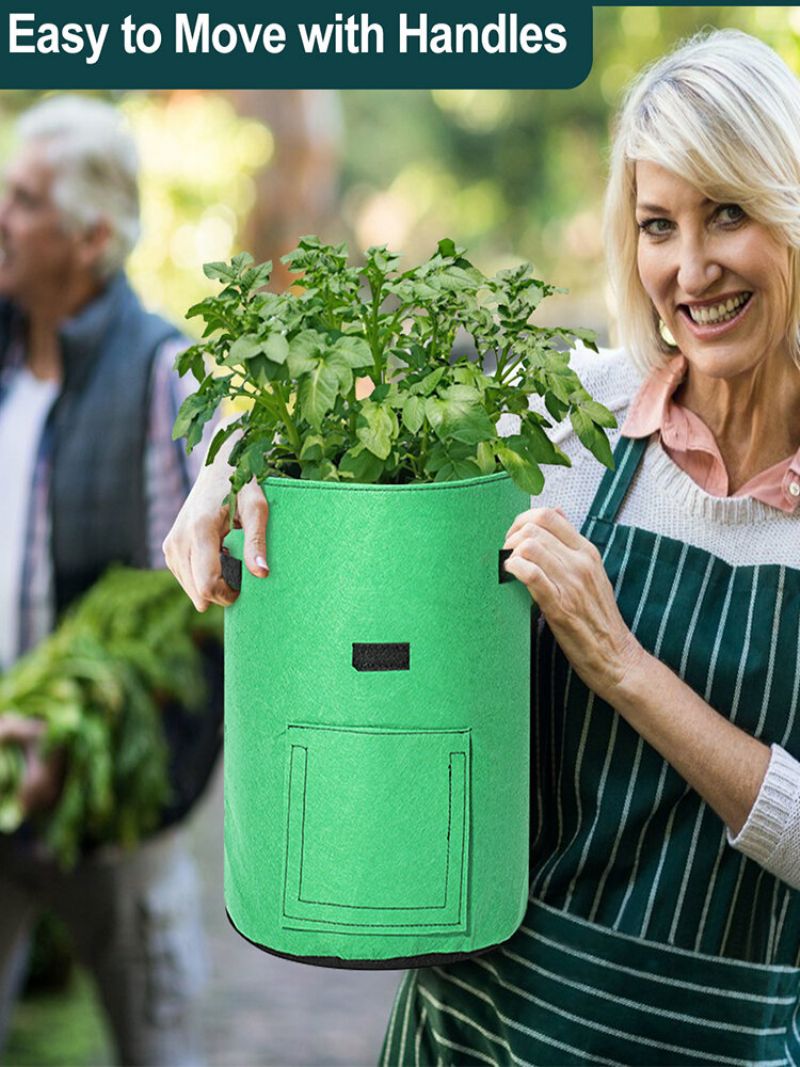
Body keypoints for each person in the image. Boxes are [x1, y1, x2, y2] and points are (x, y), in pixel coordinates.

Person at [164, 28, 800, 1064]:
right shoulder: (571, 420)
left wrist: (623, 667)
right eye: (654, 224)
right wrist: (225, 478)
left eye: (726, 211)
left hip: (708, 1038)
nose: (688, 268)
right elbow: (357, 433)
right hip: (480, 1022)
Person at [0, 95, 214, 1065]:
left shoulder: (159, 371)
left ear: (91, 237)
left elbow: (186, 612)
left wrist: (75, 739)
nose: (0, 214)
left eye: (22, 198)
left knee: (152, 1043)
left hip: (111, 805)